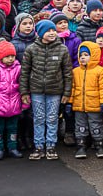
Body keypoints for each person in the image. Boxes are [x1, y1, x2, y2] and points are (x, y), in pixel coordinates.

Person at [21, 20, 73, 161]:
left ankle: (50, 145)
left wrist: (67, 93)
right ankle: (38, 146)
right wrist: (24, 92)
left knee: (52, 118)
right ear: (41, 33)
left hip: (55, 91)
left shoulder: (62, 49)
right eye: (48, 31)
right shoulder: (31, 49)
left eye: (53, 30)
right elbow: (24, 72)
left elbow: (67, 73)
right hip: (36, 90)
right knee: (38, 118)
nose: (52, 33)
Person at [69, 41, 103, 159]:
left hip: (94, 104)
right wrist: (69, 102)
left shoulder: (100, 71)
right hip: (79, 105)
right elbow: (72, 87)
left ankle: (99, 145)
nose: (82, 58)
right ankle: (81, 146)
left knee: (96, 125)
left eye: (86, 55)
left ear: (94, 55)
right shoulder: (75, 71)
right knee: (80, 125)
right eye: (81, 55)